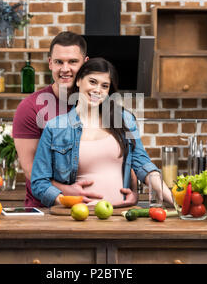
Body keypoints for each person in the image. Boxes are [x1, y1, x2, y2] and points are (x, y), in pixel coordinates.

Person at [31, 57, 173, 207]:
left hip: (119, 215)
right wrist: (65, 199)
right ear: (79, 81)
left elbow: (143, 164)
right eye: (92, 82)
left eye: (104, 86)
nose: (98, 90)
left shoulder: (125, 120)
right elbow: (39, 182)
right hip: (76, 216)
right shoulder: (55, 127)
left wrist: (172, 199)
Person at [13, 31, 105, 207]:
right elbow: (30, 169)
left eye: (72, 62)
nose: (65, 69)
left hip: (94, 207)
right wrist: (65, 190)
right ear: (50, 63)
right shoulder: (30, 108)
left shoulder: (98, 104)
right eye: (59, 62)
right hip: (45, 210)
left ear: (85, 64)